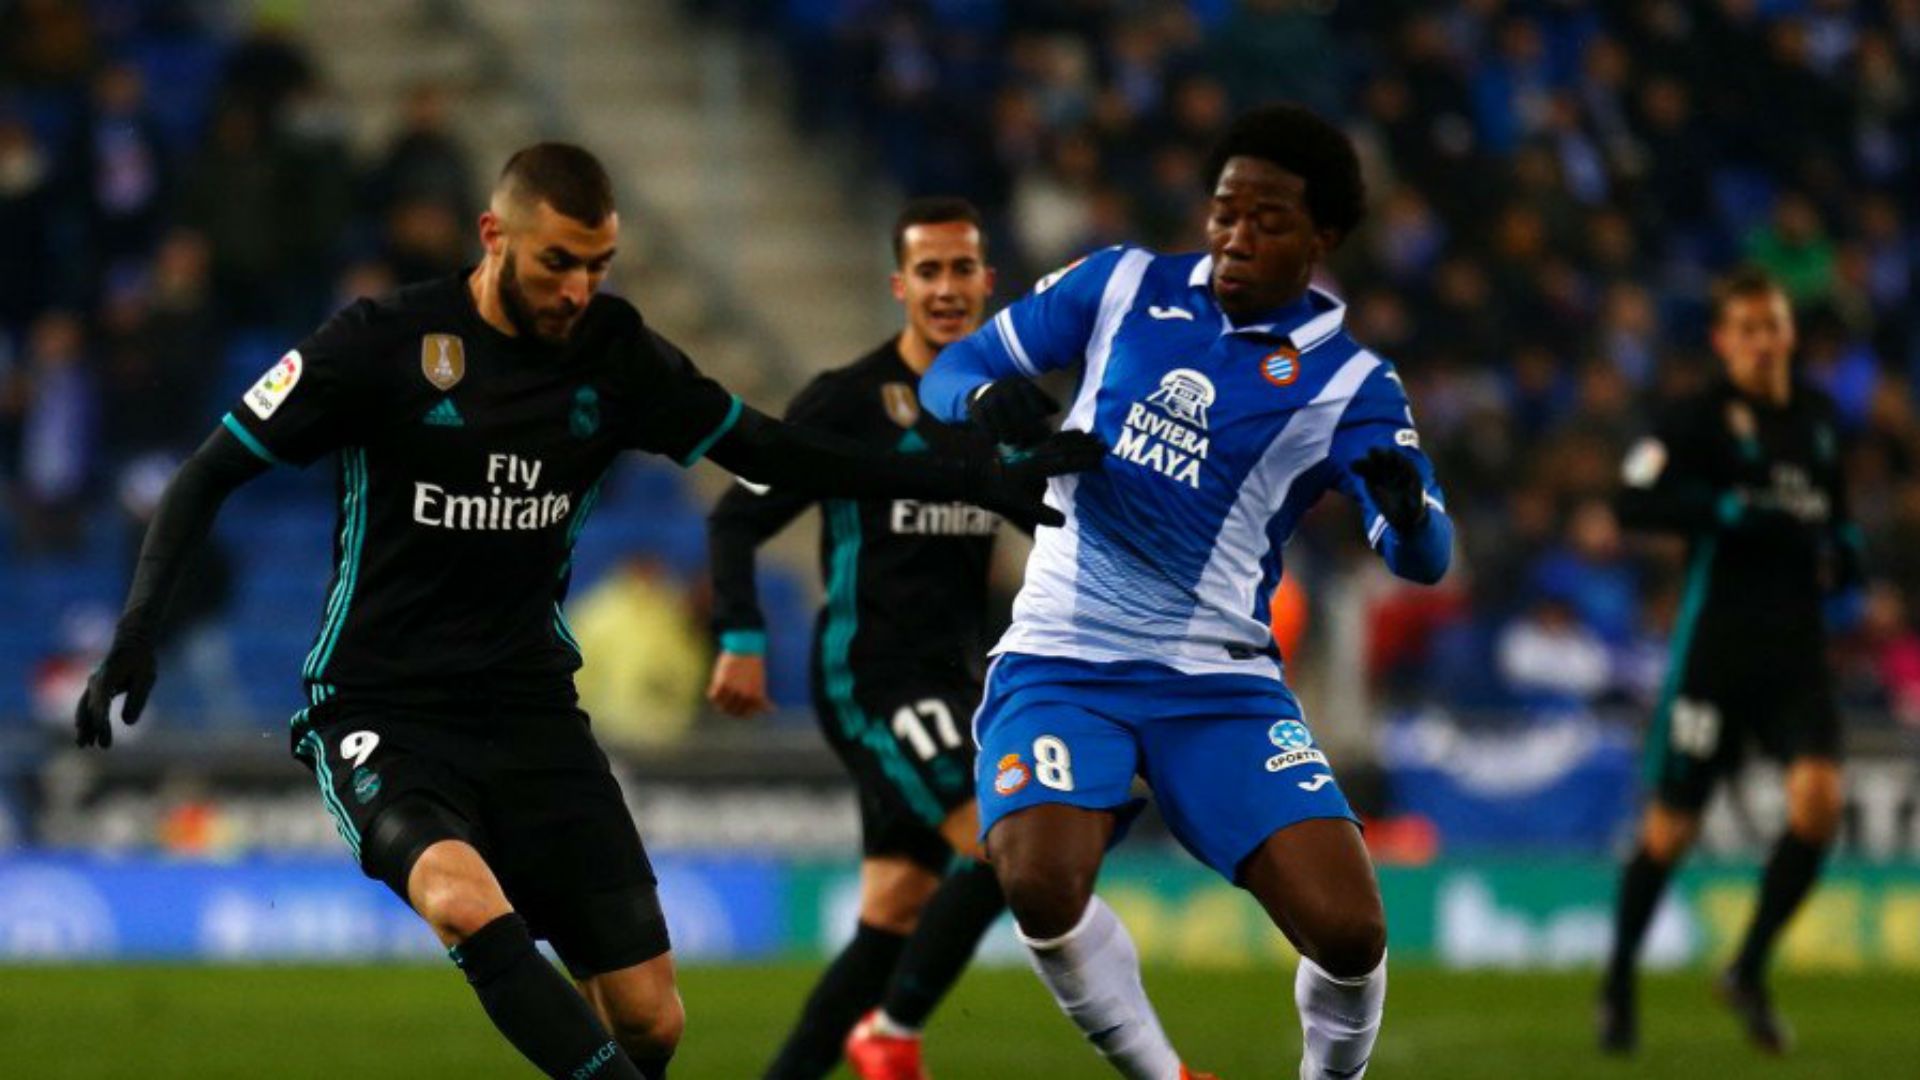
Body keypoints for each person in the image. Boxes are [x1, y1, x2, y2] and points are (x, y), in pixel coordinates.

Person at [72, 143, 1100, 1080]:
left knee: (651, 1021)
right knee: (459, 899)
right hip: (379, 706)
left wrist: (972, 474)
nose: (579, 289)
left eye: (598, 265)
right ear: (494, 236)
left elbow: (773, 453)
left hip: (530, 713)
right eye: (559, 262)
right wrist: (136, 629)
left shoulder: (612, 354)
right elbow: (205, 474)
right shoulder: (381, 345)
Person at [919, 104, 1453, 1080]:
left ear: (1323, 237)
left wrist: (1408, 511)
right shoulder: (1121, 284)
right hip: (1061, 657)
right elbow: (951, 370)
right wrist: (993, 407)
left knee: (1348, 931)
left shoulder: (1352, 382)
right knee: (1038, 879)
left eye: (1269, 219)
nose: (1237, 235)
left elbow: (1422, 557)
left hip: (1218, 684)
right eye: (1224, 211)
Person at [707, 197, 1011, 1080]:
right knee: (1006, 841)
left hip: (956, 681)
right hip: (870, 677)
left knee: (893, 911)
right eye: (929, 271)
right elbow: (736, 518)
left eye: (962, 270)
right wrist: (740, 632)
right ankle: (894, 1036)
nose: (947, 288)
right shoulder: (847, 400)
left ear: (988, 282)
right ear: (899, 285)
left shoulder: (1000, 407)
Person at [1599, 267, 1862, 1056]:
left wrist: (1846, 553)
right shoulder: (1696, 421)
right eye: (1744, 330)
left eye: (1770, 326)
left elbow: (1836, 514)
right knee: (1671, 830)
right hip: (1716, 653)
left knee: (1818, 806)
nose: (1759, 342)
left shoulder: (1815, 418)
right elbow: (1630, 500)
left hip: (1797, 654)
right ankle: (1617, 981)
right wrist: (1717, 508)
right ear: (1722, 342)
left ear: (1788, 334)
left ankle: (1747, 966)